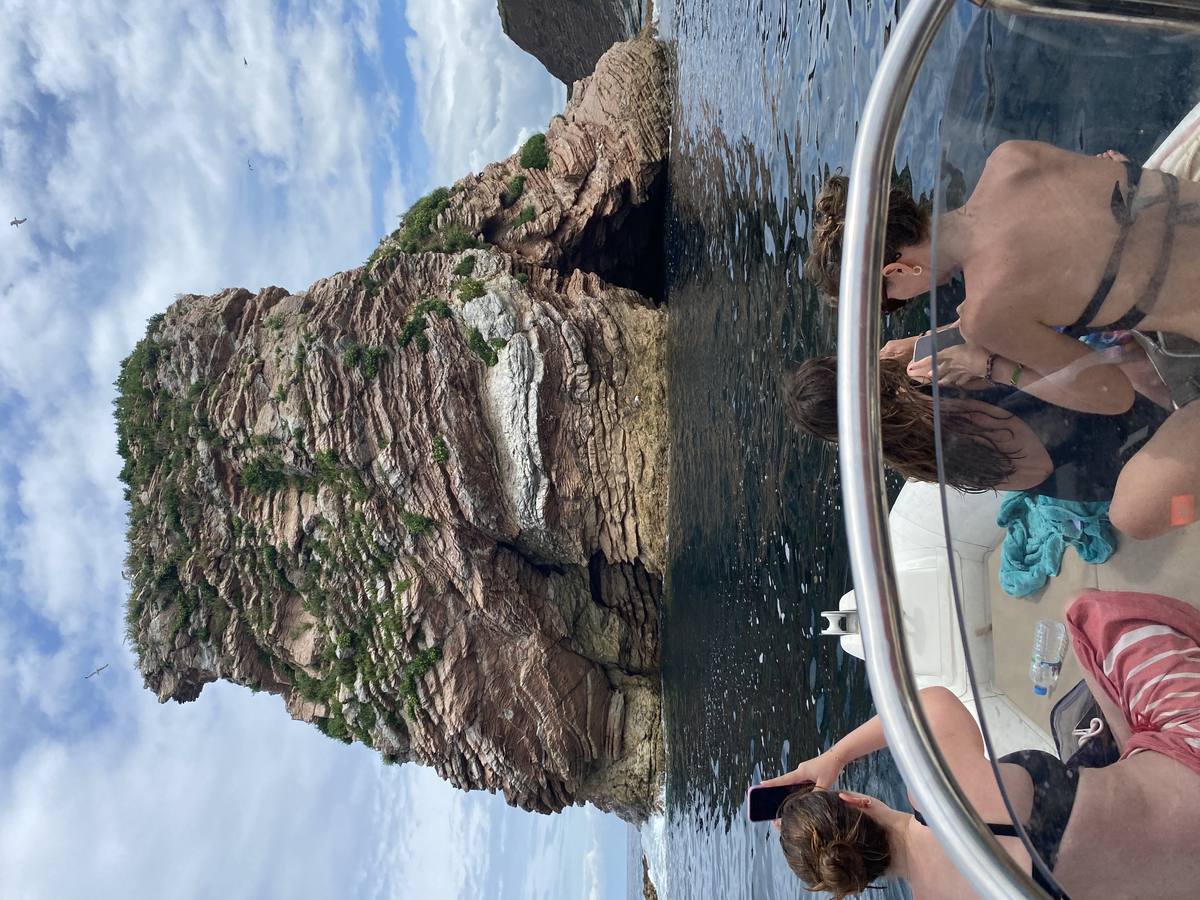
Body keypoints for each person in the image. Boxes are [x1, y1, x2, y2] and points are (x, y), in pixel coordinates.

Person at [806, 147, 1200, 535]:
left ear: (897, 267)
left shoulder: (985, 315)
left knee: (1135, 515)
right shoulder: (1010, 160)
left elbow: (1113, 395)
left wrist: (984, 363)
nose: (901, 303)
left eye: (889, 301)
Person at [761, 590, 1200, 899]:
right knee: (1084, 613)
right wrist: (833, 757)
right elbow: (927, 703)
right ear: (857, 801)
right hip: (1190, 762)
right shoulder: (939, 795)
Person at [783, 354, 1171, 514]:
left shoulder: (911, 448)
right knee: (1126, 357)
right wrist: (989, 366)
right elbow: (1064, 429)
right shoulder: (948, 406)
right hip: (1123, 439)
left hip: (1099, 480)